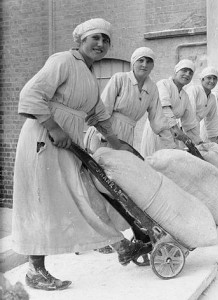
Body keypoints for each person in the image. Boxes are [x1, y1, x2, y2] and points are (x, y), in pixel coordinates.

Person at [12, 18, 151, 291]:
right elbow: (31, 94)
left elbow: (98, 113)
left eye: (105, 40)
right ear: (81, 40)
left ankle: (120, 245)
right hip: (43, 137)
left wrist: (116, 142)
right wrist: (53, 127)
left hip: (68, 141)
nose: (100, 44)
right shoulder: (62, 60)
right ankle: (35, 271)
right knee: (42, 200)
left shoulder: (87, 73)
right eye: (95, 38)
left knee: (86, 191)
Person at [84, 46, 176, 155]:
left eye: (149, 61)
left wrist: (172, 147)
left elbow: (158, 119)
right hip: (105, 133)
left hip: (127, 136)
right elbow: (103, 109)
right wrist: (109, 138)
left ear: (153, 66)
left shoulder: (152, 88)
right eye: (141, 60)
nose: (144, 65)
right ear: (133, 62)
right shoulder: (120, 79)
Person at [140, 59, 203, 157]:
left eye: (190, 73)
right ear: (176, 71)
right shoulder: (164, 84)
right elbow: (164, 108)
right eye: (184, 70)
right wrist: (176, 129)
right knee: (156, 162)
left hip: (173, 134)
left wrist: (198, 142)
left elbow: (189, 123)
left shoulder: (185, 96)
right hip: (157, 130)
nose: (187, 74)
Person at [184, 66, 218, 144]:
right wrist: (195, 138)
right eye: (209, 78)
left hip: (195, 129)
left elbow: (212, 120)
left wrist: (215, 138)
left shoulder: (212, 98)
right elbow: (189, 114)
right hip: (182, 127)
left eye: (214, 78)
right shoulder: (194, 90)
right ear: (202, 79)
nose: (212, 81)